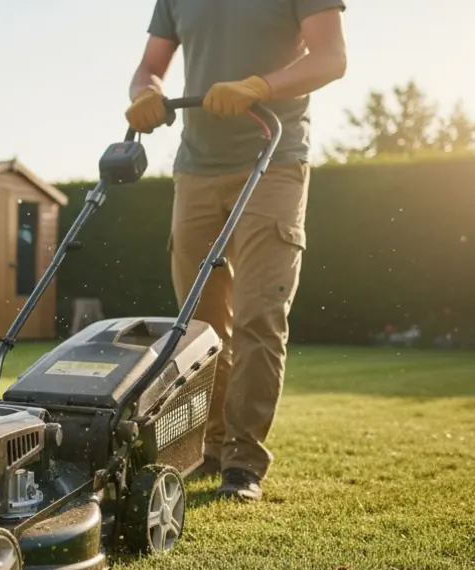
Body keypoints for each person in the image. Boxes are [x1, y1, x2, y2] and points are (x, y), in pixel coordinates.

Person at [125, 0, 348, 501]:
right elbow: (149, 67)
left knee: (257, 316)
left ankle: (243, 462)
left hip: (273, 159)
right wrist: (147, 93)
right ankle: (208, 446)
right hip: (195, 169)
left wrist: (259, 87)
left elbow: (332, 57)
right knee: (197, 328)